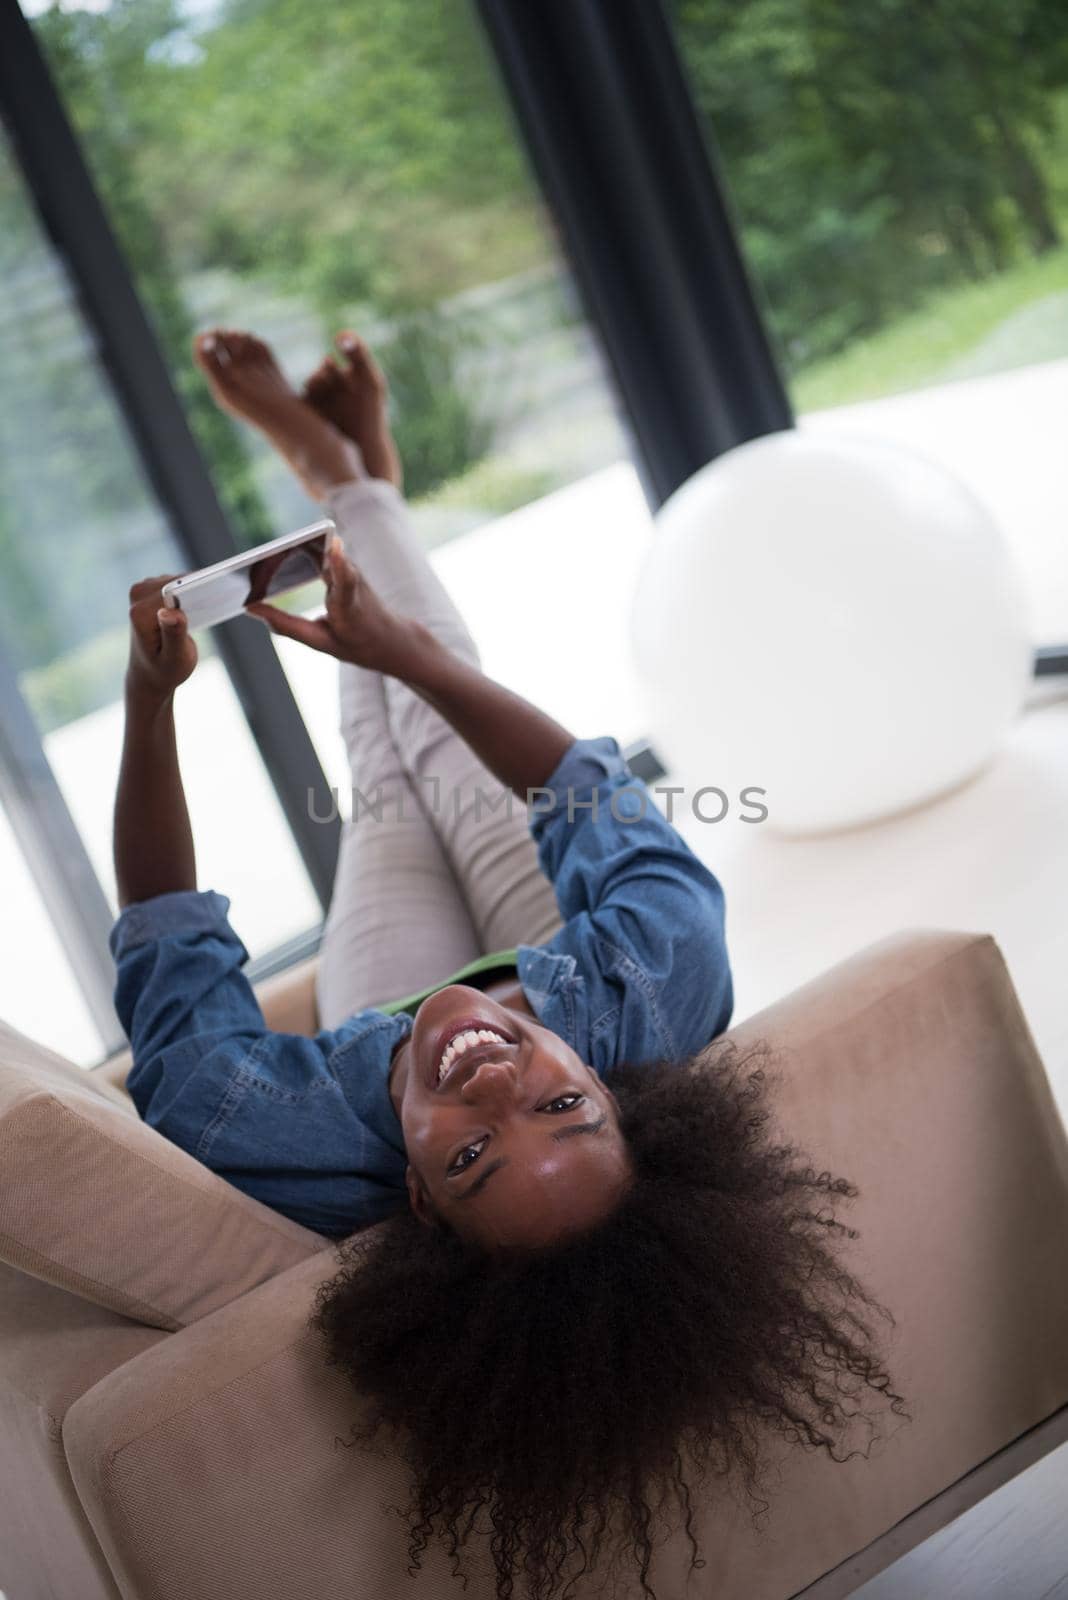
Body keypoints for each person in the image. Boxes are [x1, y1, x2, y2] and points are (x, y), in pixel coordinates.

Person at [113, 329, 902, 1600]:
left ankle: (351, 484)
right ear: (626, 1096)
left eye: (472, 1154)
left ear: (417, 1197)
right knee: (427, 709)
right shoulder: (660, 974)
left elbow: (165, 939)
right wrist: (411, 656)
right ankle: (344, 476)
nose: (490, 1086)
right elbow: (580, 785)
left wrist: (149, 700)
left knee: (389, 767)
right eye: (559, 1107)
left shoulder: (265, 1125)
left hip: (384, 1003)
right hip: (563, 948)